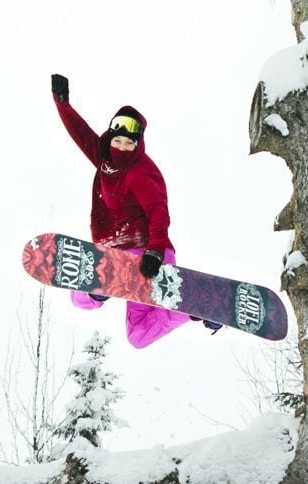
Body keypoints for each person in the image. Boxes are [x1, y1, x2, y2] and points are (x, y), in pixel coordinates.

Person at [50, 73, 220, 348]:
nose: (122, 148)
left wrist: (154, 251)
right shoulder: (104, 158)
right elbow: (80, 133)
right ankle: (195, 307)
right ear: (110, 138)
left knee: (79, 296)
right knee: (138, 335)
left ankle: (102, 287)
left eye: (129, 144)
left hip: (146, 256)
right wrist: (62, 104)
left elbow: (158, 211)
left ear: (138, 144)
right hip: (141, 261)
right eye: (118, 142)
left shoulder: (140, 172)